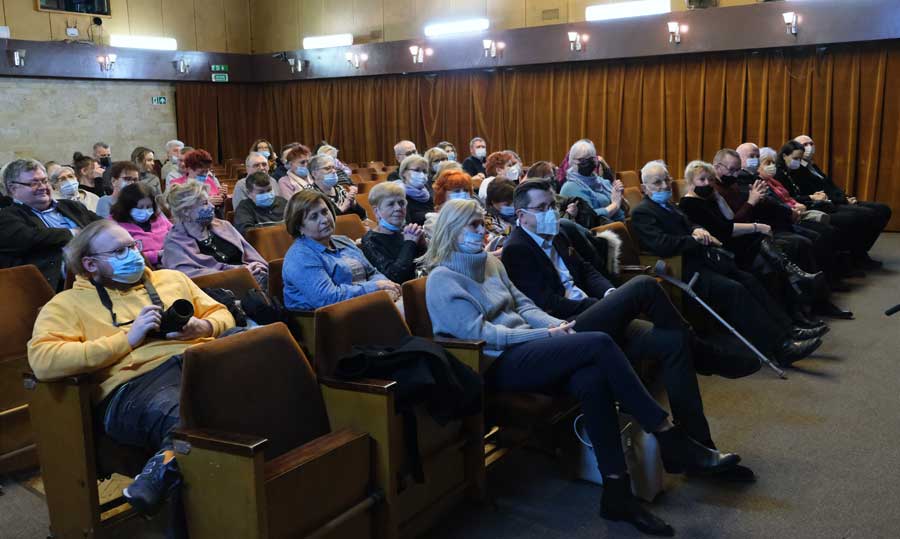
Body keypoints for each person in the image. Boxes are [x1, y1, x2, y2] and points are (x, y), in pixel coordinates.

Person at [423, 198, 741, 536]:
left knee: (592, 377)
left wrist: (558, 327)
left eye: (481, 224)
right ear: (452, 231)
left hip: (530, 345)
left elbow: (524, 306)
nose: (482, 232)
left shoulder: (489, 263)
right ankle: (667, 434)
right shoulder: (442, 279)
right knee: (599, 343)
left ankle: (617, 492)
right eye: (473, 225)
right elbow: (482, 335)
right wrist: (544, 335)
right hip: (496, 363)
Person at [503, 179, 758, 463]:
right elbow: (547, 303)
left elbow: (587, 271)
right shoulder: (517, 248)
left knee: (674, 342)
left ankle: (698, 446)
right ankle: (705, 354)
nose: (550, 212)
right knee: (644, 285)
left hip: (596, 312)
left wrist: (610, 295)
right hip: (568, 328)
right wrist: (604, 306)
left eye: (552, 205)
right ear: (521, 215)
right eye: (541, 208)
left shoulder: (559, 232)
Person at [27, 219, 235, 523]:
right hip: (134, 386)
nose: (134, 255)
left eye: (133, 246)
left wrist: (203, 326)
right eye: (119, 251)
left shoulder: (172, 279)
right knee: (192, 413)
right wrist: (126, 339)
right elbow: (43, 360)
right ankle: (176, 486)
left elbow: (222, 313)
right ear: (90, 264)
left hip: (198, 359)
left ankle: (165, 469)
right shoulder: (65, 304)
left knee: (265, 370)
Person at [631, 160, 823, 367]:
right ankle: (781, 347)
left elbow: (689, 224)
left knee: (749, 279)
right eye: (657, 183)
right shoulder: (642, 212)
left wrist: (697, 229)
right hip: (681, 268)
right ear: (644, 188)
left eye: (666, 180)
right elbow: (662, 245)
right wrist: (695, 239)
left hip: (703, 260)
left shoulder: (669, 205)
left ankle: (789, 329)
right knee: (734, 289)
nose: (664, 186)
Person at [282, 190, 401, 310]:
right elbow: (328, 298)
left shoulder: (343, 241)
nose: (324, 220)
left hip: (368, 304)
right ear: (299, 227)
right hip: (334, 316)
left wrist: (386, 288)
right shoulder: (300, 256)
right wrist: (375, 288)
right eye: (314, 217)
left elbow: (372, 273)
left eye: (325, 212)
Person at [793, 134, 891, 268]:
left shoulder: (813, 166)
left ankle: (860, 251)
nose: (809, 147)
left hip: (839, 199)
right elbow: (819, 193)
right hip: (826, 204)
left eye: (811, 143)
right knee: (866, 214)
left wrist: (847, 197)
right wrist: (843, 199)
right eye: (805, 145)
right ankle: (855, 255)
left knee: (883, 209)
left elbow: (831, 186)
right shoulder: (797, 169)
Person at [0, 159, 100, 289]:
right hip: (54, 285)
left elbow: (102, 225)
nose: (43, 187)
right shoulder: (7, 216)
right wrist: (72, 233)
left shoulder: (71, 206)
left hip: (98, 269)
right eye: (34, 183)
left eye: (44, 181)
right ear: (13, 189)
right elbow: (29, 238)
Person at [162, 181, 268, 286]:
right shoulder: (174, 243)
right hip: (217, 289)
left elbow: (252, 256)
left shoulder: (223, 226)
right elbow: (190, 277)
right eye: (205, 203)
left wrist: (256, 266)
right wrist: (239, 273)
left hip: (250, 278)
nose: (212, 206)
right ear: (185, 211)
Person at [360, 181, 426, 284]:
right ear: (377, 211)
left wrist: (422, 246)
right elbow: (394, 277)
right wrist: (410, 243)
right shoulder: (370, 240)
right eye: (391, 204)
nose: (398, 208)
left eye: (401, 203)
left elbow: (424, 265)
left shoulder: (407, 232)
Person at [109, 182, 173, 268]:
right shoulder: (115, 226)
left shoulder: (157, 217)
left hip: (170, 260)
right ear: (127, 207)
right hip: (142, 267)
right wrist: (156, 255)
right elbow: (124, 255)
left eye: (148, 207)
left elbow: (174, 232)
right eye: (140, 207)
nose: (145, 211)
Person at [559, 140, 626, 222]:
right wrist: (614, 205)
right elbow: (590, 217)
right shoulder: (570, 187)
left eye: (591, 159)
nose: (588, 163)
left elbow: (624, 207)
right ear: (572, 162)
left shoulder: (602, 181)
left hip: (619, 224)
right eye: (582, 160)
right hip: (603, 228)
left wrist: (619, 194)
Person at [305, 154, 366, 220]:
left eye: (334, 167)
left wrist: (354, 204)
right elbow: (323, 220)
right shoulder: (310, 194)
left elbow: (363, 215)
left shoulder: (340, 189)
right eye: (327, 168)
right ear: (315, 174)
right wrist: (344, 207)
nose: (334, 171)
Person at [234, 171, 288, 236]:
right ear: (249, 193)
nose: (267, 195)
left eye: (269, 190)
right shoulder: (244, 208)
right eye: (261, 192)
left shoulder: (283, 202)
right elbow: (248, 233)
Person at [397, 154, 434, 225]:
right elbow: (406, 222)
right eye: (417, 170)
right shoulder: (399, 194)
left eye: (424, 171)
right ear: (404, 172)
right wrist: (427, 215)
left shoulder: (426, 192)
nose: (422, 174)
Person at [484, 179, 517, 248]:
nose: (512, 206)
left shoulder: (516, 213)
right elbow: (504, 239)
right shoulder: (487, 220)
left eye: (514, 202)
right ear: (493, 202)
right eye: (507, 204)